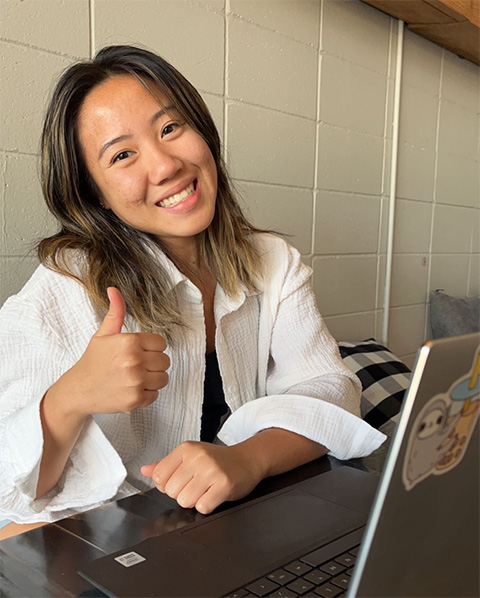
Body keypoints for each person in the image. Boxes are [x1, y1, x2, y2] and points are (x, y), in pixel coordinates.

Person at [0, 45, 385, 524]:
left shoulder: (272, 260)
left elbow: (329, 385)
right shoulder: (65, 284)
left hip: (238, 522)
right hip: (121, 545)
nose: (164, 166)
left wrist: (248, 458)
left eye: (170, 128)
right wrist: (72, 395)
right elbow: (12, 491)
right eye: (122, 155)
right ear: (93, 193)